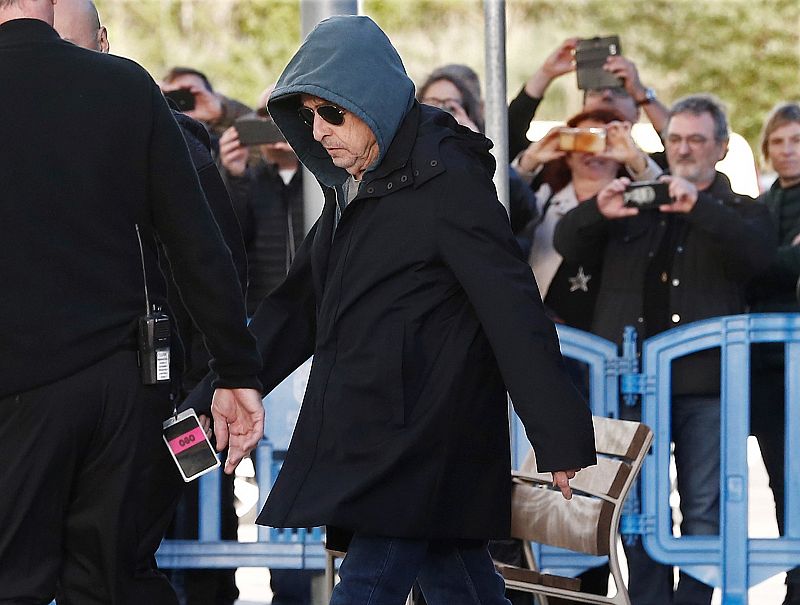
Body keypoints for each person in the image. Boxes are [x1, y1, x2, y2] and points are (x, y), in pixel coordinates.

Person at [185, 15, 595, 605]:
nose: (319, 131)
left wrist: (557, 435)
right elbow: (297, 308)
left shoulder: (445, 176)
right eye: (308, 117)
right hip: (386, 435)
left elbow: (512, 306)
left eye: (333, 113)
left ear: (370, 99)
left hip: (420, 439)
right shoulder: (359, 185)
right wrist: (219, 391)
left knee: (368, 587)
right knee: (459, 580)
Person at [0, 1, 264, 603]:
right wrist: (235, 368)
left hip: (15, 388)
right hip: (125, 389)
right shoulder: (123, 85)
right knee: (115, 583)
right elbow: (198, 242)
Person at [554, 94, 776, 604]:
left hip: (708, 387)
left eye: (697, 140)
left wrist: (699, 208)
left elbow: (759, 257)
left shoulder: (742, 210)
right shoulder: (634, 198)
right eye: (675, 139)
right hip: (630, 387)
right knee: (635, 509)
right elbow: (568, 240)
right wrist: (598, 211)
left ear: (721, 148)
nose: (684, 149)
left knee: (705, 507)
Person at [219, 86, 316, 604]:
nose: (275, 131)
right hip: (258, 343)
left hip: (316, 345)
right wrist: (232, 177)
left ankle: (304, 586)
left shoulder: (323, 176)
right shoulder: (250, 182)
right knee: (254, 468)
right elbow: (223, 244)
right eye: (265, 120)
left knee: (303, 468)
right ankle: (258, 587)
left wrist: (307, 157)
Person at [748, 101, 800, 605]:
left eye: (797, 141)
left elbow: (773, 267)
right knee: (781, 479)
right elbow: (759, 267)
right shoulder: (761, 207)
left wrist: (775, 262)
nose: (787, 151)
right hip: (765, 365)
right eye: (779, 141)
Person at [508, 37, 669, 163]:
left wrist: (642, 94)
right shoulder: (554, 161)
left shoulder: (647, 170)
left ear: (637, 113)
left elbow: (681, 148)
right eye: (596, 91)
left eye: (620, 91)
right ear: (583, 108)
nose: (606, 95)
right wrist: (545, 74)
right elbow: (506, 139)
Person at [161, 66, 252, 144]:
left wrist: (222, 113)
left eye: (189, 94)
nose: (181, 101)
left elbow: (262, 134)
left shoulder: (220, 142)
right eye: (172, 95)